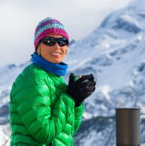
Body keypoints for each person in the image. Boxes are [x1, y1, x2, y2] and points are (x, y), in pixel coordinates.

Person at [9, 17, 96, 146]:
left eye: (62, 41)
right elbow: (45, 133)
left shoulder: (55, 80)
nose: (57, 46)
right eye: (49, 41)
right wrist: (70, 98)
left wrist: (77, 101)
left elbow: (67, 131)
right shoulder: (34, 77)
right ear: (38, 45)